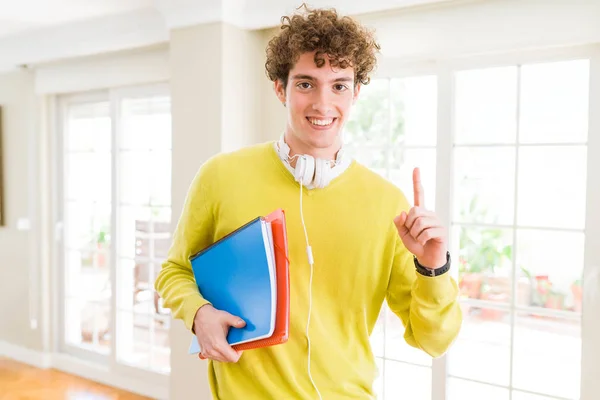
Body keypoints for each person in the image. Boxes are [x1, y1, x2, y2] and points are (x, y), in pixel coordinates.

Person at [154, 5, 462, 399]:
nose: (322, 103)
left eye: (338, 85)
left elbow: (433, 341)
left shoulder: (388, 203)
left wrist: (433, 268)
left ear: (355, 93)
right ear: (280, 89)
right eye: (305, 84)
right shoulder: (220, 176)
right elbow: (174, 271)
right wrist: (198, 314)